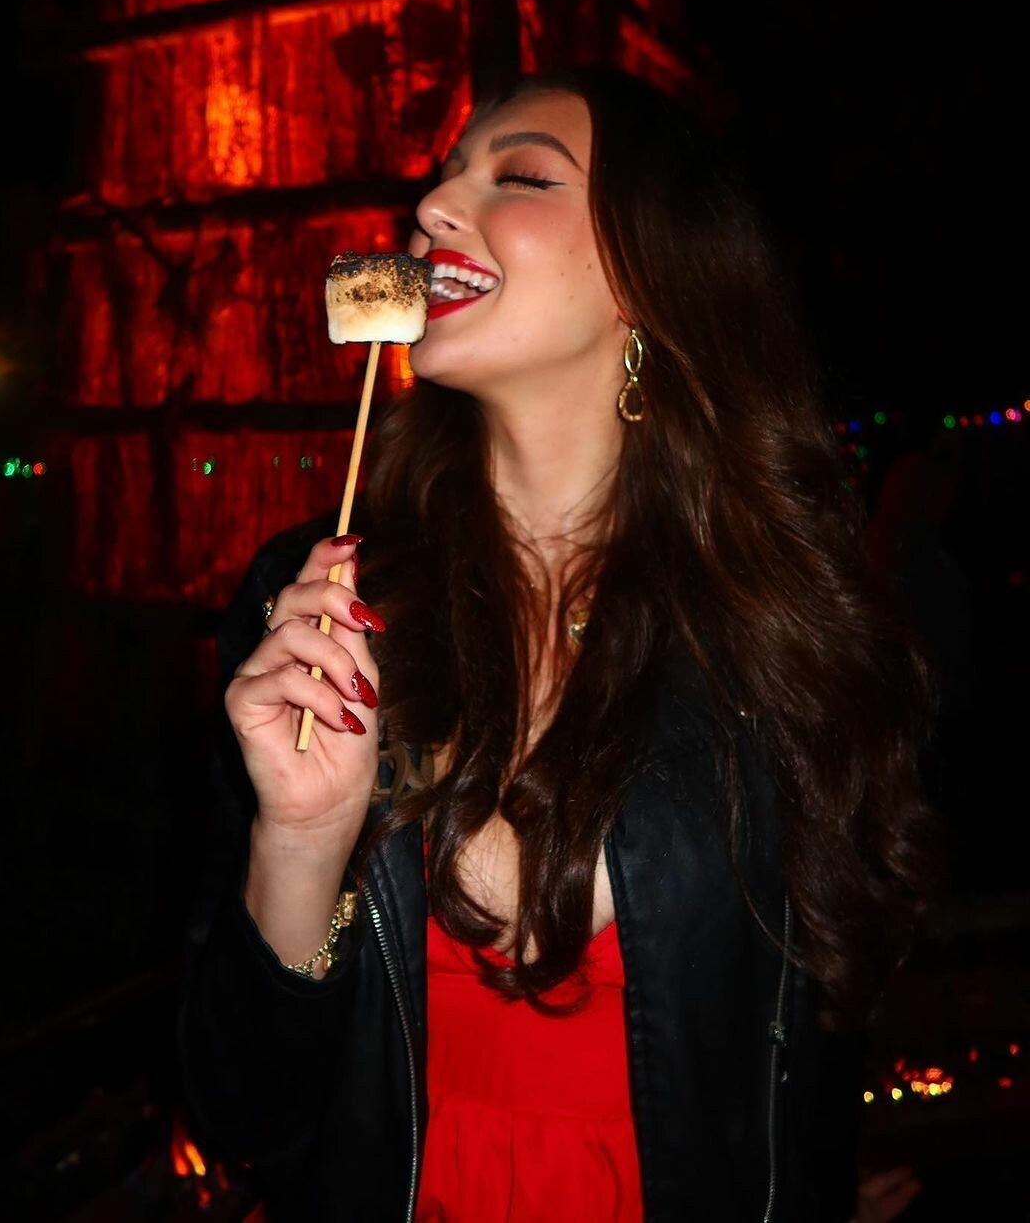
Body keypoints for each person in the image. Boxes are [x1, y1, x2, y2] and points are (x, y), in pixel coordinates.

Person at [177, 65, 946, 1221]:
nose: (432, 207)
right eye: (445, 176)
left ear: (652, 275)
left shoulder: (772, 624)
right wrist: (299, 843)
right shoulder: (317, 607)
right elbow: (241, 1110)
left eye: (521, 178)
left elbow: (817, 1017)